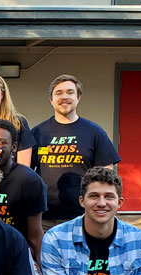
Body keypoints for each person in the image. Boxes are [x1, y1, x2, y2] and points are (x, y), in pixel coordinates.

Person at [32, 74, 121, 229]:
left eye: (70, 92)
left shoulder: (94, 132)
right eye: (58, 93)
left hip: (83, 216)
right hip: (44, 218)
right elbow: (25, 171)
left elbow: (107, 176)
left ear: (78, 97)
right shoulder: (37, 132)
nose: (64, 97)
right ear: (51, 100)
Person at [0, 119, 46, 266]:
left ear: (14, 147)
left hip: (15, 252)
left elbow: (35, 234)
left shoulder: (29, 180)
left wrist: (43, 270)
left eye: (2, 142)